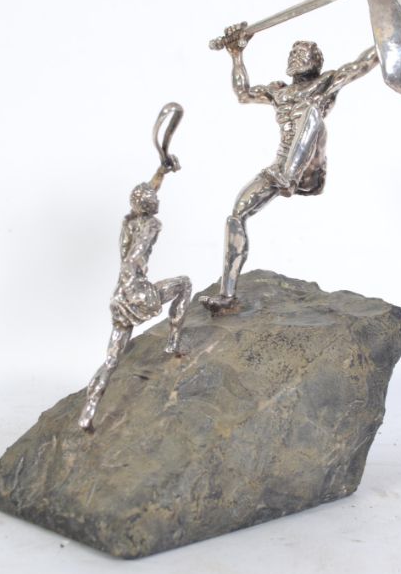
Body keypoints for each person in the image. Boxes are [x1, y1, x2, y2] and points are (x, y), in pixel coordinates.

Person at [200, 23, 378, 313]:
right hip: (280, 166)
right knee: (237, 215)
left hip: (309, 166)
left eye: (302, 53)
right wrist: (236, 54)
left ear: (316, 63)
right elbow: (243, 93)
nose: (295, 56)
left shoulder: (326, 82)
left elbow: (362, 64)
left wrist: (386, 36)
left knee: (311, 113)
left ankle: (289, 174)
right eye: (292, 52)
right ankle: (227, 295)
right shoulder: (278, 92)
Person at [79, 164, 191, 431]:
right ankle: (173, 342)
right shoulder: (151, 224)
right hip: (137, 291)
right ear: (149, 205)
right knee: (184, 284)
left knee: (111, 359)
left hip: (119, 297)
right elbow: (135, 256)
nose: (157, 198)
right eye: (153, 198)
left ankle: (88, 411)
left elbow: (146, 191)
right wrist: (133, 279)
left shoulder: (129, 220)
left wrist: (161, 173)